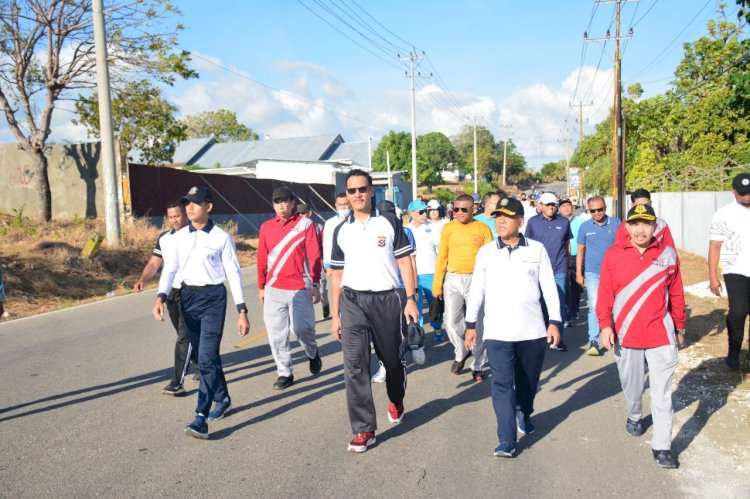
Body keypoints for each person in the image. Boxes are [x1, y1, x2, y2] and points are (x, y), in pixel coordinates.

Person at [329, 169, 419, 453]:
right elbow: (336, 275)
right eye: (351, 191)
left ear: (371, 192)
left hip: (387, 300)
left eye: (362, 189)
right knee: (355, 366)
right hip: (353, 301)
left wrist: (411, 299)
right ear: (346, 195)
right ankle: (364, 429)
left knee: (391, 363)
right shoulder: (341, 230)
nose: (356, 195)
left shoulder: (390, 222)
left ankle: (396, 396)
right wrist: (335, 315)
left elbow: (405, 263)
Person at [465, 197, 561, 458]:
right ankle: (506, 439)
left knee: (528, 383)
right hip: (497, 332)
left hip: (532, 331)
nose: (501, 221)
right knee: (502, 385)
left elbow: (549, 287)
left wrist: (555, 321)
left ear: (521, 221)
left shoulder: (537, 250)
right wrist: (471, 324)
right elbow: (477, 290)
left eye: (507, 216)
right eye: (498, 216)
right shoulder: (486, 252)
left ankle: (524, 411)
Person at [152, 186, 250, 439]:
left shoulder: (221, 238)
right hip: (187, 299)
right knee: (207, 358)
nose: (190, 207)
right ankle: (223, 397)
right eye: (188, 203)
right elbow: (170, 269)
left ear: (209, 207)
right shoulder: (177, 238)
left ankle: (200, 417)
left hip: (213, 300)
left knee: (206, 358)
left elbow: (233, 274)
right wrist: (160, 297)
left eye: (195, 203)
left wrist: (242, 310)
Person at [597, 203, 685, 469]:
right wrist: (605, 325)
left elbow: (677, 293)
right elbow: (604, 294)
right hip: (626, 335)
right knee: (633, 387)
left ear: (654, 227)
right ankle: (634, 414)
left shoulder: (668, 255)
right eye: (635, 224)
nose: (640, 230)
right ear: (627, 227)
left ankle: (662, 446)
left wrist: (679, 327)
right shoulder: (613, 255)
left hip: (660, 333)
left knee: (662, 394)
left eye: (646, 224)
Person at [257, 188, 323, 390]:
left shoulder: (305, 225)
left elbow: (314, 255)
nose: (281, 206)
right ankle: (285, 372)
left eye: (285, 201)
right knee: (276, 333)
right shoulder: (266, 227)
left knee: (301, 329)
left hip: (299, 286)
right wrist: (261, 286)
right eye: (277, 202)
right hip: (274, 287)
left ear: (293, 203)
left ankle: (312, 352)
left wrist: (315, 283)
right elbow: (261, 257)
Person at [134, 201, 197, 395]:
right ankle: (202, 364)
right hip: (171, 292)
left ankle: (177, 382)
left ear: (185, 215)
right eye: (170, 217)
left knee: (184, 336)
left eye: (177, 216)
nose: (174, 220)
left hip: (190, 291)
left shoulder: (195, 234)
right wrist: (142, 279)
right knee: (184, 334)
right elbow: (155, 263)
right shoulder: (164, 238)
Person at [433, 194, 494, 380]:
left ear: (474, 209)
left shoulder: (482, 228)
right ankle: (461, 352)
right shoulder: (448, 229)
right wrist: (437, 285)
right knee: (451, 322)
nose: (459, 213)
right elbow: (442, 257)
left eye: (463, 210)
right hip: (452, 279)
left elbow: (491, 259)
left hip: (476, 279)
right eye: (455, 210)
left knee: (477, 324)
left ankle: (477, 365)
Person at [709, 173, 750, 370]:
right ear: (733, 191)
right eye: (742, 193)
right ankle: (734, 350)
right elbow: (715, 246)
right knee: (739, 311)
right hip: (736, 270)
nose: (747, 196)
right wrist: (713, 277)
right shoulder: (723, 215)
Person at [524, 192, 572, 351]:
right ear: (541, 206)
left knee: (559, 302)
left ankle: (559, 337)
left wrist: (569, 264)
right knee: (540, 302)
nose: (551, 207)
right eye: (548, 205)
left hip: (559, 268)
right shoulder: (532, 222)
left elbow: (566, 244)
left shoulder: (564, 222)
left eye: (553, 205)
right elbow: (527, 246)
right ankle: (544, 333)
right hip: (538, 269)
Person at [576, 196, 620, 356]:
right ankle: (593, 340)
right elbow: (580, 251)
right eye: (592, 210)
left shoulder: (616, 224)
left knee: (616, 306)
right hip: (593, 273)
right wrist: (579, 273)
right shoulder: (585, 227)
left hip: (615, 273)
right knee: (595, 305)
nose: (596, 213)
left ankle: (615, 336)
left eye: (599, 209)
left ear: (605, 208)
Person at [405, 199, 444, 340]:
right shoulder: (406, 230)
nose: (425, 215)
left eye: (425, 212)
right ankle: (418, 334)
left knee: (435, 306)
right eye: (421, 212)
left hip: (431, 274)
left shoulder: (433, 228)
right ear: (411, 213)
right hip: (412, 276)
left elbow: (441, 252)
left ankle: (437, 327)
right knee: (416, 306)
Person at [297, 202, 330, 320]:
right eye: (298, 214)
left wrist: (326, 263)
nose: (300, 216)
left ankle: (325, 305)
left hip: (317, 263)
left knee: (322, 291)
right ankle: (307, 317)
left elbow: (325, 246)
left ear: (309, 213)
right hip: (302, 267)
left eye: (303, 213)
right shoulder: (294, 229)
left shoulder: (318, 227)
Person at [322, 193, 351, 315]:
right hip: (336, 266)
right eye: (340, 205)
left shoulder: (355, 220)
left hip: (353, 265)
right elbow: (327, 245)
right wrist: (328, 266)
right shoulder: (330, 223)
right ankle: (339, 317)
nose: (343, 207)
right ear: (335, 205)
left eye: (345, 204)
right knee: (338, 293)